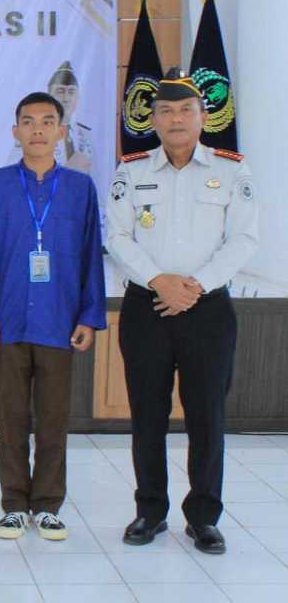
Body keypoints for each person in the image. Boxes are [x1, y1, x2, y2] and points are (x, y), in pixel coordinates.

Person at [106, 70, 259, 555]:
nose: (176, 119)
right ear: (152, 120)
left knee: (207, 416)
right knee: (147, 415)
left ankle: (204, 517)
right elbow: (117, 236)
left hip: (207, 310)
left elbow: (243, 239)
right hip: (146, 307)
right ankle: (150, 510)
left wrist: (195, 287)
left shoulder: (232, 171)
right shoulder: (131, 170)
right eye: (166, 111)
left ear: (203, 117)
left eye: (185, 110)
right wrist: (160, 281)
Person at [0, 92, 106, 541]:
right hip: (8, 320)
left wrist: (88, 315)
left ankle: (48, 504)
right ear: (15, 131)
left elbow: (90, 255)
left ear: (61, 131)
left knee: (53, 420)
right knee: (11, 419)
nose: (37, 130)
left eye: (47, 121)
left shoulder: (79, 188)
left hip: (59, 320)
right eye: (28, 121)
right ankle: (14, 504)